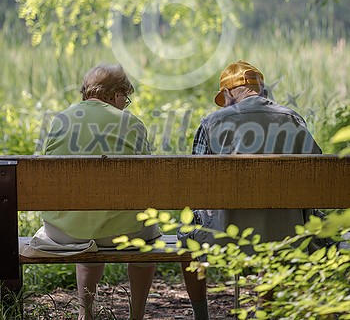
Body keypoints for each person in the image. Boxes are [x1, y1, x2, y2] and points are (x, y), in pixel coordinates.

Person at [179, 60, 322, 320]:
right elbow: (318, 177)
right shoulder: (292, 118)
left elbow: (197, 187)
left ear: (229, 92)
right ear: (260, 89)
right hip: (287, 234)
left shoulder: (210, 123)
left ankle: (201, 316)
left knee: (186, 234)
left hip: (225, 236)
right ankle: (264, 310)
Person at [41, 63, 160, 320]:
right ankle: (136, 315)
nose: (124, 104)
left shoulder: (60, 119)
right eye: (125, 98)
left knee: (86, 225)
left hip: (64, 233)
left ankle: (86, 313)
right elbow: (149, 180)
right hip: (124, 234)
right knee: (147, 236)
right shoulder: (132, 124)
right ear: (116, 94)